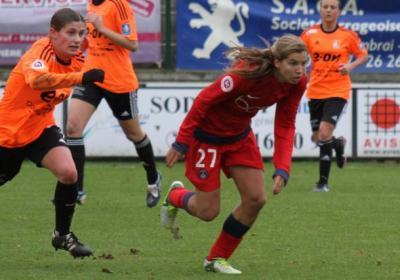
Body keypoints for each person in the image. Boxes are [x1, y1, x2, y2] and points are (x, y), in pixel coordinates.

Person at [160, 34, 308, 275]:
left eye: (304, 63)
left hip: (239, 138)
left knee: (256, 199)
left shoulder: (297, 83)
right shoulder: (247, 72)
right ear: (278, 62)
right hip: (206, 138)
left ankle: (216, 258)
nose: (300, 70)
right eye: (293, 63)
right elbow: (203, 101)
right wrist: (182, 142)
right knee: (208, 212)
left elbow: (286, 123)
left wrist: (283, 167)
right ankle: (176, 196)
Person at [0, 8, 104, 258]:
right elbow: (37, 81)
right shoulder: (40, 52)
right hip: (8, 134)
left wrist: (98, 24)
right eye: (70, 33)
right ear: (53, 33)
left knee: (69, 173)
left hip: (40, 127)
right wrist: (80, 78)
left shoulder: (77, 54)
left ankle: (62, 235)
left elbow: (93, 31)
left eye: (80, 34)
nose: (77, 39)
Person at [66, 0, 161, 207]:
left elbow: (132, 44)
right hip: (92, 76)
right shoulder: (91, 5)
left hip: (119, 82)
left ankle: (153, 179)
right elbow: (92, 40)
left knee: (133, 134)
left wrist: (102, 28)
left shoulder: (119, 4)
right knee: (73, 127)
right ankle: (76, 190)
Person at [300, 0, 368, 192]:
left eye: (332, 7)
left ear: (338, 11)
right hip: (315, 90)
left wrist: (350, 66)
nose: (329, 10)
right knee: (317, 138)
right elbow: (296, 53)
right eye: (325, 7)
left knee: (323, 133)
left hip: (338, 90)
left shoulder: (347, 35)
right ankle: (338, 144)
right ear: (320, 10)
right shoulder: (309, 34)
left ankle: (322, 183)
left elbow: (363, 55)